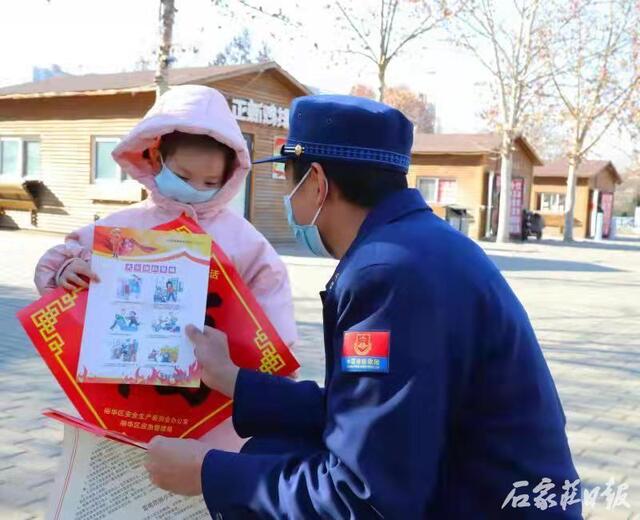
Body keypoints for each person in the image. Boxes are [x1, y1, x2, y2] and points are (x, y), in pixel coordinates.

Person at [144, 95, 581, 518]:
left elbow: (362, 497)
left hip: (477, 501)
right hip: (473, 487)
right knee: (269, 450)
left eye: (288, 180)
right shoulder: (416, 247)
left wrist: (208, 473)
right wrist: (234, 381)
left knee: (261, 475)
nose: (288, 199)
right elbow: (363, 412)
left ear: (315, 182)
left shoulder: (386, 274)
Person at [33, 85, 297, 451]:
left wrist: (272, 366)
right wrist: (66, 273)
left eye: (209, 183)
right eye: (184, 176)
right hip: (125, 396)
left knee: (202, 482)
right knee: (128, 476)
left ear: (229, 177)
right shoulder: (123, 226)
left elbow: (272, 299)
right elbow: (63, 264)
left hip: (211, 403)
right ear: (156, 159)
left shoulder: (242, 239)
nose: (195, 188)